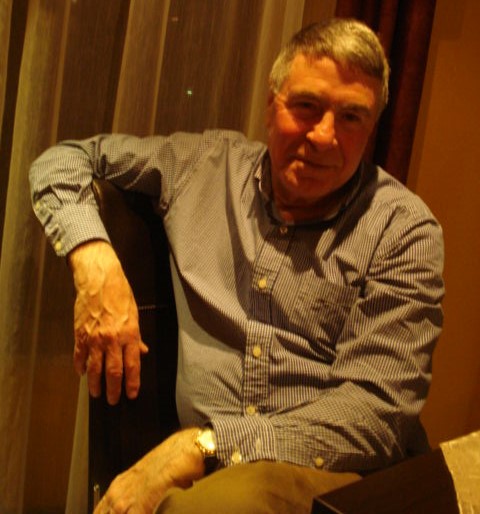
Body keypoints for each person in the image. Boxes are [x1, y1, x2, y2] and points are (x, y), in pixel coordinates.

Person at [29, 18, 444, 514]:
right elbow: (63, 162)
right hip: (210, 475)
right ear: (271, 104)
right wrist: (95, 262)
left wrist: (204, 446)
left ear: (372, 128)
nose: (324, 136)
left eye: (352, 117)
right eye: (306, 106)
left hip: (337, 475)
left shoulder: (404, 230)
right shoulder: (200, 167)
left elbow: (375, 416)